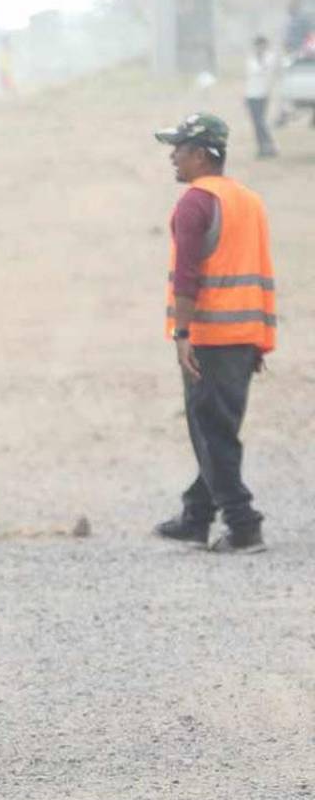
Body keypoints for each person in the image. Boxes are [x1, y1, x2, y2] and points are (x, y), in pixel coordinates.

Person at [153, 113, 276, 554]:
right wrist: (258, 339)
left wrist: (183, 332)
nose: (172, 157)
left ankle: (243, 525)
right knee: (217, 429)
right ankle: (196, 516)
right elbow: (258, 268)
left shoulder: (195, 202)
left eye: (179, 149)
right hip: (244, 335)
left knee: (211, 433)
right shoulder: (248, 200)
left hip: (210, 337)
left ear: (201, 155)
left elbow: (188, 275)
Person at [244, 36, 279, 159]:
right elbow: (252, 73)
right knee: (256, 123)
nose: (259, 48)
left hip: (263, 94)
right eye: (258, 46)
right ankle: (262, 147)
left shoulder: (269, 57)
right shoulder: (251, 59)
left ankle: (269, 146)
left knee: (260, 122)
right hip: (251, 94)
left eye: (262, 45)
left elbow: (266, 70)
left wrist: (262, 59)